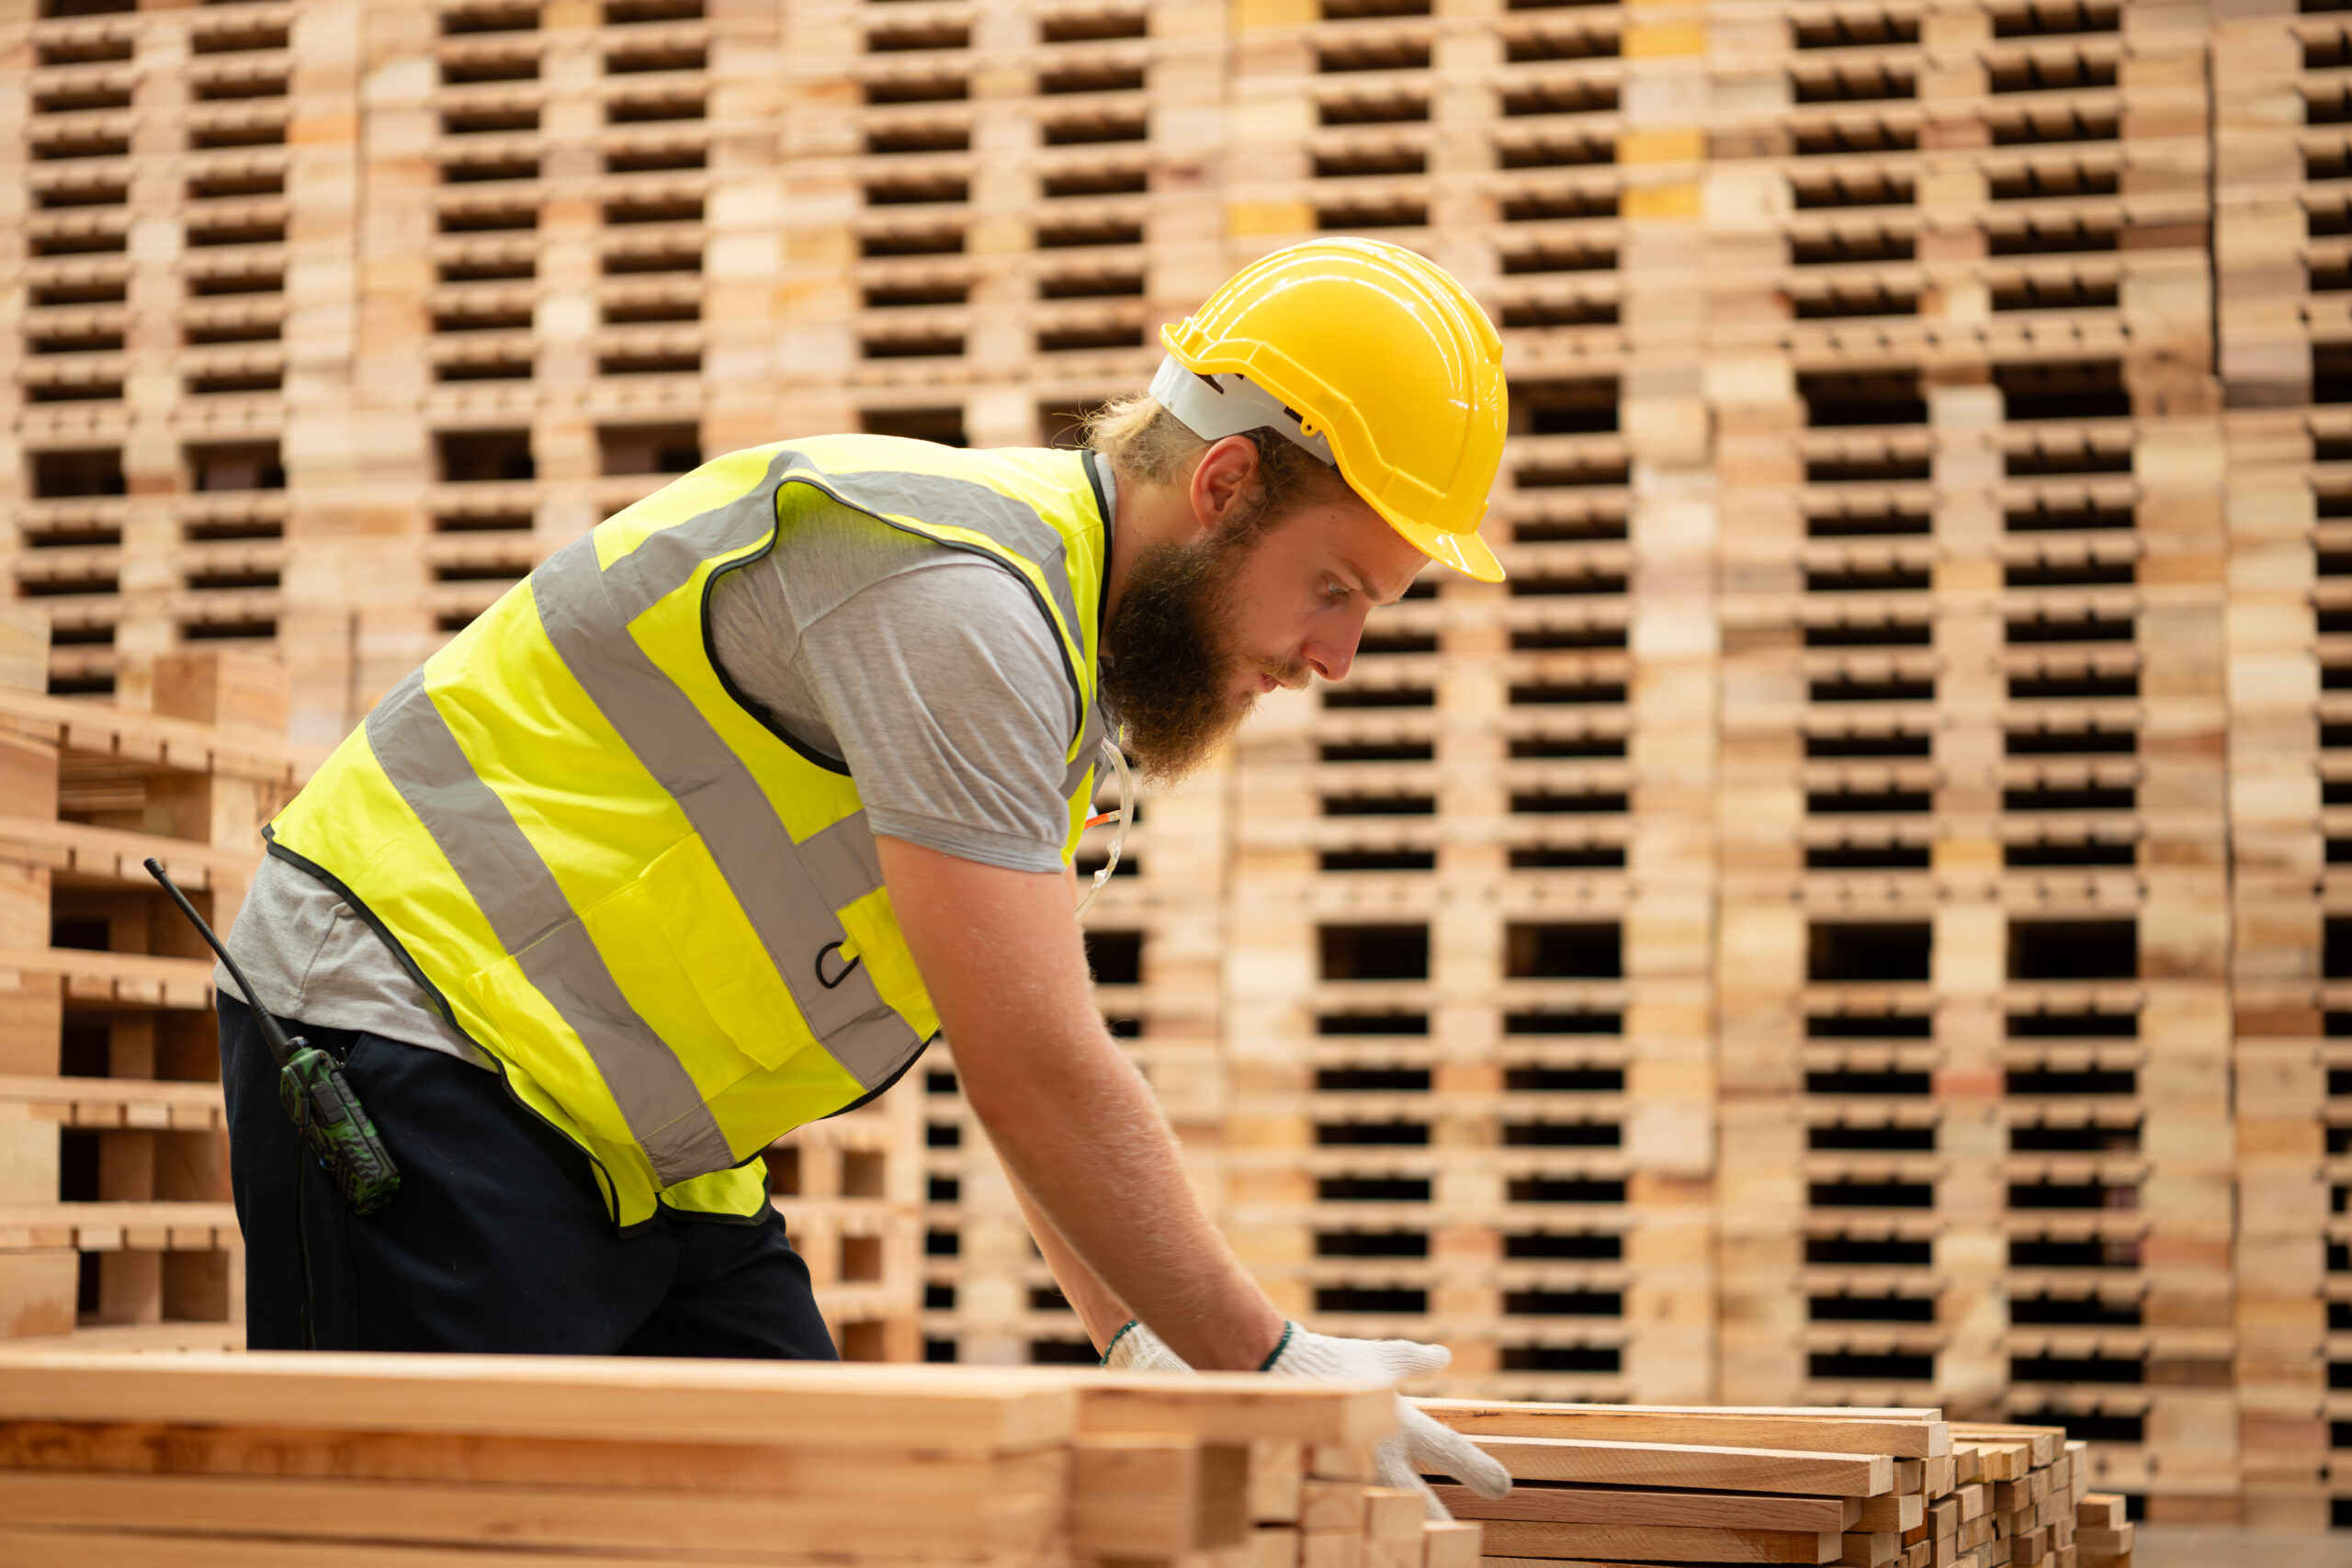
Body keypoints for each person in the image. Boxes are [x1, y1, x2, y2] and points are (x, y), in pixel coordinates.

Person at [216, 237, 1513, 1514]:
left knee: (814, 1523)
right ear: (1225, 486)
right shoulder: (964, 602)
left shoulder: (1046, 641)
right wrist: (1265, 1361)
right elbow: (1036, 1069)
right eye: (1333, 588)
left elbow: (992, 1031)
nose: (1335, 655)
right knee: (456, 1541)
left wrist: (1139, 1335)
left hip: (634, 1140)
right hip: (412, 1035)